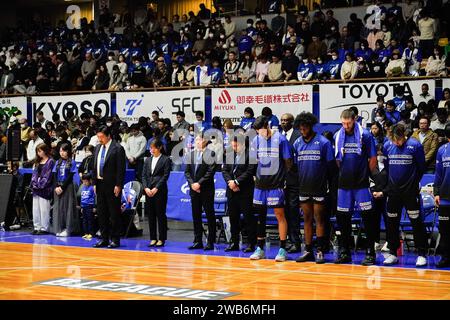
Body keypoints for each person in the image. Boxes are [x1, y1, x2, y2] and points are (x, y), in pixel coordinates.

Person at [334, 109, 378, 265]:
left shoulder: (365, 135)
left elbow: (373, 159)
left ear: (355, 120)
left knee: (368, 218)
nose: (346, 126)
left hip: (361, 183)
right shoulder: (338, 135)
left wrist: (366, 176)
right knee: (343, 218)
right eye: (343, 123)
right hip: (344, 184)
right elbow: (338, 160)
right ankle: (345, 251)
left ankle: (370, 252)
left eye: (348, 123)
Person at [381, 124, 428, 266]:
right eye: (394, 140)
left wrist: (413, 185)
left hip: (410, 191)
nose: (397, 143)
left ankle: (421, 253)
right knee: (392, 223)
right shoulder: (387, 145)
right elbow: (387, 168)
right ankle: (393, 253)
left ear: (404, 135)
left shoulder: (415, 145)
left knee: (416, 222)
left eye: (399, 140)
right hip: (393, 192)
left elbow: (421, 168)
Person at [293, 112, 335, 264]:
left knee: (320, 219)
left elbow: (331, 168)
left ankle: (320, 251)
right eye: (300, 127)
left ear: (310, 125)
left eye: (304, 126)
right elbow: (296, 168)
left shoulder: (323, 142)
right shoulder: (297, 143)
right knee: (307, 219)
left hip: (320, 187)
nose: (302, 129)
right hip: (304, 187)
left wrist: (331, 187)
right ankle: (308, 250)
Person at [249, 116, 292, 262]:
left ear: (267, 125)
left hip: (276, 184)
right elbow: (254, 161)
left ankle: (282, 249)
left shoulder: (281, 139)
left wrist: (282, 178)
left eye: (260, 130)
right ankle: (260, 248)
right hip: (260, 184)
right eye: (256, 131)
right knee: (260, 216)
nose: (259, 133)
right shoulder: (256, 140)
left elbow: (288, 162)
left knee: (279, 214)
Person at [222, 131, 257, 252]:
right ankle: (234, 242)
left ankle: (252, 243)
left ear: (243, 144)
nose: (234, 148)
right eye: (233, 145)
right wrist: (230, 183)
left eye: (236, 146)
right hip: (231, 191)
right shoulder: (230, 154)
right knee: (233, 218)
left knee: (248, 218)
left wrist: (236, 182)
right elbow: (225, 170)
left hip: (245, 191)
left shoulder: (250, 155)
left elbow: (250, 171)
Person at [92, 126, 126, 249]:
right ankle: (104, 238)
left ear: (108, 136)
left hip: (112, 185)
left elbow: (121, 169)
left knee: (114, 213)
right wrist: (94, 183)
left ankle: (115, 239)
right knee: (101, 213)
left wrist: (118, 185)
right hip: (100, 184)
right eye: (98, 137)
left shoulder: (118, 148)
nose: (99, 139)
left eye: (101, 137)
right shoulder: (97, 148)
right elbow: (94, 166)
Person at [184, 135, 216, 250]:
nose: (197, 142)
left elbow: (210, 171)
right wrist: (193, 184)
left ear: (205, 141)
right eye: (196, 140)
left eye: (199, 140)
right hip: (194, 190)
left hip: (206, 190)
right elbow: (187, 172)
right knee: (196, 215)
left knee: (209, 215)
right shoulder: (190, 154)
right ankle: (198, 240)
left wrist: (199, 183)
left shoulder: (211, 153)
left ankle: (210, 242)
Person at [143, 139, 171, 247]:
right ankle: (153, 238)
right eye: (151, 148)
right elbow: (144, 175)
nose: (152, 150)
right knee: (151, 215)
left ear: (159, 148)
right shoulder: (147, 160)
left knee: (160, 214)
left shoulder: (165, 160)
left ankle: (162, 238)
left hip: (160, 191)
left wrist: (156, 188)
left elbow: (165, 176)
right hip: (148, 190)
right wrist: (145, 188)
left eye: (154, 148)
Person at [280, 113, 302, 253]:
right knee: (285, 211)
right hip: (281, 179)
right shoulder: (278, 136)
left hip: (295, 179)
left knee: (293, 211)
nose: (283, 122)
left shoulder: (298, 136)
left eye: (286, 120)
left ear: (292, 122)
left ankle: (296, 242)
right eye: (281, 120)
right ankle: (287, 239)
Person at [52, 143, 79, 237]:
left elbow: (70, 177)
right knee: (58, 208)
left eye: (64, 151)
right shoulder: (57, 162)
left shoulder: (72, 162)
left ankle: (68, 229)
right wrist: (56, 186)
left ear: (68, 151)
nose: (62, 153)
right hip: (58, 187)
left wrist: (62, 187)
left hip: (67, 187)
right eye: (60, 151)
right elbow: (54, 174)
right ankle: (59, 228)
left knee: (68, 208)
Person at [434, 123, 450, 267]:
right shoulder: (442, 150)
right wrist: (436, 192)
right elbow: (438, 173)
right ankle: (445, 256)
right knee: (444, 229)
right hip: (445, 196)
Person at [30, 143, 54, 235]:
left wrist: (41, 185)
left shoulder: (50, 161)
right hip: (36, 189)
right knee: (35, 209)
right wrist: (35, 183)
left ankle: (44, 228)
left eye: (40, 151)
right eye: (37, 151)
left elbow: (48, 176)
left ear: (45, 150)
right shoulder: (37, 162)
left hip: (45, 189)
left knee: (44, 209)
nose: (38, 153)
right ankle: (37, 226)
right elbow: (34, 174)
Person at [80, 174, 95, 240]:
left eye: (86, 181)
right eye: (83, 181)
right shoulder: (83, 188)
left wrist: (94, 207)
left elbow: (94, 197)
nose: (84, 183)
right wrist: (81, 207)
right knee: (84, 220)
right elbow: (82, 198)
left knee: (90, 220)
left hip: (89, 206)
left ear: (90, 181)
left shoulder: (92, 188)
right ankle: (86, 233)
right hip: (84, 207)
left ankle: (91, 233)